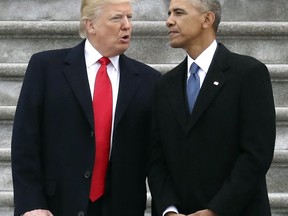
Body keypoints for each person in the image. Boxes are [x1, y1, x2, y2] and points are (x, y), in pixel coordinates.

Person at [11, 0, 161, 215]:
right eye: (117, 18)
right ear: (91, 26)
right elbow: (25, 142)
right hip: (55, 206)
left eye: (130, 17)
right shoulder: (45, 68)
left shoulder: (149, 80)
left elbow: (155, 156)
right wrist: (31, 204)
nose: (127, 25)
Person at [148, 0, 276, 216]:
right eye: (169, 13)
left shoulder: (248, 74)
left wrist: (215, 210)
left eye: (178, 13)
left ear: (207, 19)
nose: (169, 21)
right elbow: (156, 158)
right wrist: (169, 210)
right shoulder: (165, 85)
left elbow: (257, 154)